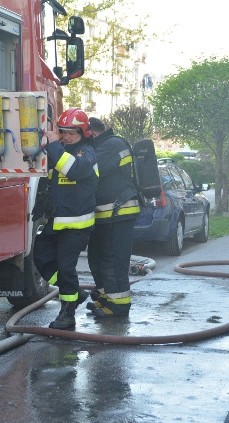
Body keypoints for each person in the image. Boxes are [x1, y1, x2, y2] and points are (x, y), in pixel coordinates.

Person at [33, 108, 99, 330]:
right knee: (41, 258)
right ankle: (74, 293)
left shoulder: (86, 153)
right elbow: (48, 182)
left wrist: (53, 146)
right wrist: (40, 206)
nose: (67, 136)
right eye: (63, 132)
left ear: (83, 133)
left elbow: (73, 170)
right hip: (56, 223)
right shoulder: (59, 152)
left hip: (77, 225)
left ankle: (67, 313)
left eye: (72, 133)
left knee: (66, 267)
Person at [86, 117, 140, 317]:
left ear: (90, 132)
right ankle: (105, 299)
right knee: (97, 258)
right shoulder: (102, 146)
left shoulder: (112, 145)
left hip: (118, 213)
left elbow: (89, 169)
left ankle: (119, 305)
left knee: (112, 260)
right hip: (105, 215)